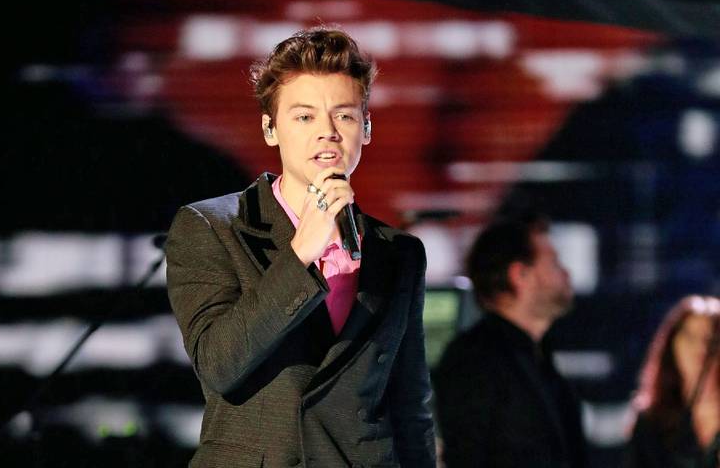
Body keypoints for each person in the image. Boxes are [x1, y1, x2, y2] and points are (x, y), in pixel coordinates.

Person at [164, 27, 435, 468]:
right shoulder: (212, 228)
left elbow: (409, 403)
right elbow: (218, 365)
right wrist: (299, 254)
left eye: (344, 116)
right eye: (305, 117)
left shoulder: (398, 253)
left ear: (366, 128)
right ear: (270, 129)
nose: (327, 132)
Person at [432, 213, 586, 468]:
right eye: (554, 262)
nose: (566, 272)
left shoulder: (539, 358)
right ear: (520, 275)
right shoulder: (473, 360)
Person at [624, 295, 720, 468]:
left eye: (711, 340)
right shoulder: (652, 423)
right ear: (672, 344)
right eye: (691, 338)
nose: (701, 348)